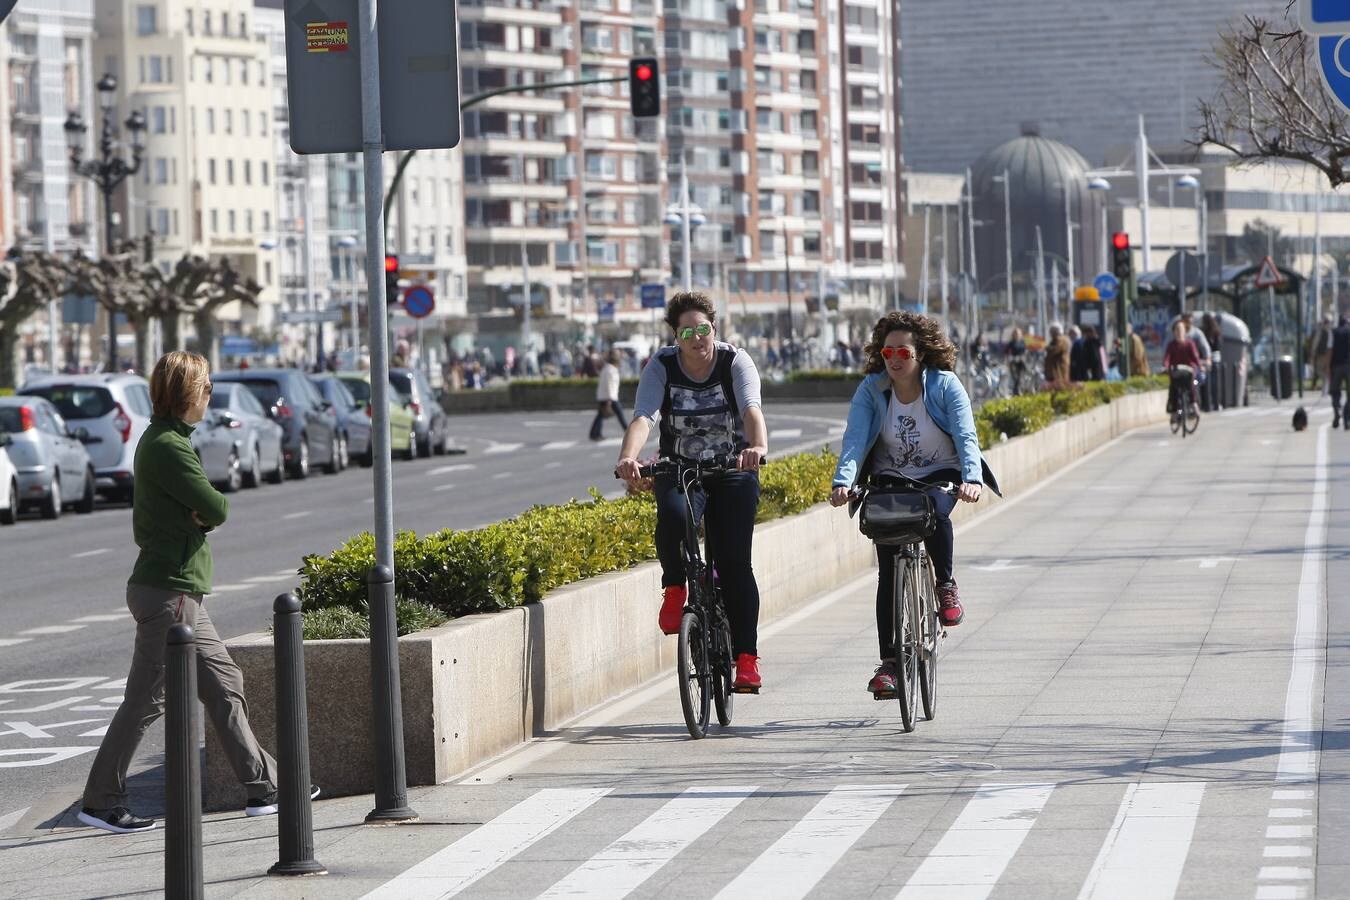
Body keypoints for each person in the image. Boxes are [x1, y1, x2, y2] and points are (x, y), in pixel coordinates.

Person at [78, 351, 305, 835]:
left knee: (225, 684)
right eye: (205, 387)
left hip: (177, 591)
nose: (209, 395)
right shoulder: (169, 446)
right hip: (169, 591)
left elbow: (201, 509)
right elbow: (215, 506)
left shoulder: (168, 440)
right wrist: (202, 514)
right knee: (145, 701)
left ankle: (264, 787)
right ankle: (100, 801)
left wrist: (197, 515)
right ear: (187, 393)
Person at [829, 312, 1001, 698]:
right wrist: (844, 482)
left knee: (935, 513)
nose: (894, 359)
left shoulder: (944, 386)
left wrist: (971, 479)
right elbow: (855, 440)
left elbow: (965, 434)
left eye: (903, 351)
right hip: (889, 477)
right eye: (887, 351)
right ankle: (890, 663)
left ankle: (945, 585)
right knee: (888, 568)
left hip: (940, 472)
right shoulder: (871, 390)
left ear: (920, 353)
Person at [615, 292, 769, 691]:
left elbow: (751, 408)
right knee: (673, 514)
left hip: (732, 467)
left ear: (714, 329)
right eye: (687, 331)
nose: (697, 338)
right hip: (679, 465)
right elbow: (644, 416)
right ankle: (675, 585)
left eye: (703, 329)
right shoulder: (662, 365)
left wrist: (756, 448)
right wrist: (629, 458)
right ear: (676, 336)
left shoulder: (735, 361)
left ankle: (746, 659)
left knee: (734, 564)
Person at [1162, 320, 1202, 413]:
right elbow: (1167, 357)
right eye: (1177, 330)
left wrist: (1199, 366)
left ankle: (1193, 403)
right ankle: (1174, 411)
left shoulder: (1190, 344)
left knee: (1191, 384)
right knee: (1173, 389)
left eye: (1181, 329)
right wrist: (1165, 366)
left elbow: (1195, 356)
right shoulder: (1171, 345)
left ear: (1185, 331)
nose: (1179, 332)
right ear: (1174, 332)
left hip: (1188, 369)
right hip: (1176, 369)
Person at [589, 349, 629, 440]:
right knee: (619, 413)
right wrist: (610, 399)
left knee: (601, 416)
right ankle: (628, 432)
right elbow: (610, 385)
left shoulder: (608, 368)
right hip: (609, 397)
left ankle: (594, 434)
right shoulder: (610, 369)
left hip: (606, 396)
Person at [1329, 314, 1350, 429]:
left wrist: (1327, 367)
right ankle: (1347, 420)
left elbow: (1330, 350)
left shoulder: (1333, 332)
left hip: (1336, 366)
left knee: (1335, 392)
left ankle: (1337, 410)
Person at [1313, 314, 1334, 393]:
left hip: (1326, 354)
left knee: (1324, 371)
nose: (1326, 324)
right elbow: (1316, 342)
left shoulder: (1330, 331)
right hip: (1321, 354)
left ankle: (1326, 388)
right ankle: (1326, 387)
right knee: (1320, 371)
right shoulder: (1321, 331)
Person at [1005, 327, 1028, 395]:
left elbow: (1025, 350)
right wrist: (1008, 358)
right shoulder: (1011, 343)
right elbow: (1006, 351)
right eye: (1016, 334)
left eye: (1018, 334)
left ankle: (1019, 390)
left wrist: (1024, 356)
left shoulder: (1022, 342)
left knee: (1020, 377)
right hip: (1013, 362)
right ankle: (1015, 392)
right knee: (1015, 378)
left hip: (1021, 362)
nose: (1017, 335)